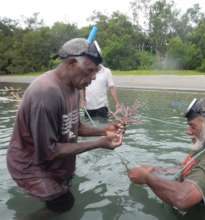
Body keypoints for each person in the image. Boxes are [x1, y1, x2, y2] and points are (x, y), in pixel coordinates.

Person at [6, 38, 124, 213]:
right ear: (71, 63)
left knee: (65, 192)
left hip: (56, 163)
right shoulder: (45, 93)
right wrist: (99, 143)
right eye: (89, 71)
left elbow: (75, 128)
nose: (92, 78)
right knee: (63, 204)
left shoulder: (73, 88)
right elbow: (49, 151)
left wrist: (104, 130)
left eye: (96, 73)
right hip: (31, 165)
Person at [128, 98, 205, 215]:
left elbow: (182, 198)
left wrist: (147, 178)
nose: (188, 132)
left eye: (193, 126)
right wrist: (155, 170)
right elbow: (186, 170)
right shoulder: (204, 146)